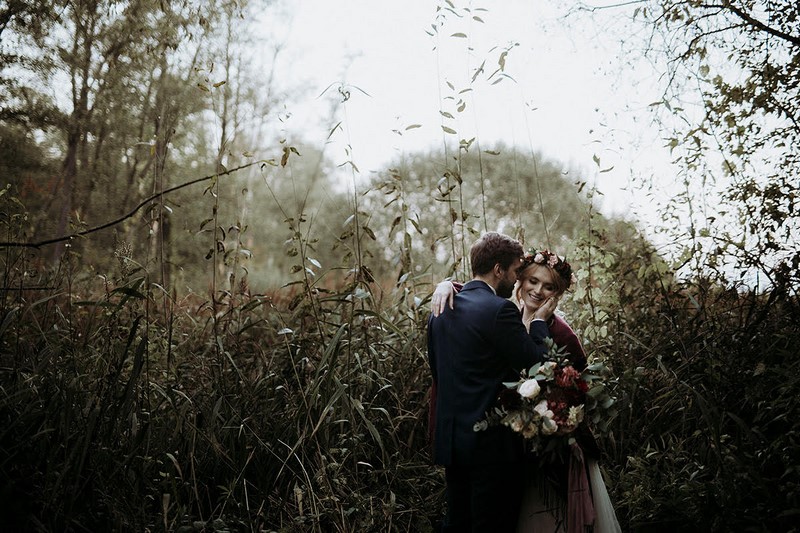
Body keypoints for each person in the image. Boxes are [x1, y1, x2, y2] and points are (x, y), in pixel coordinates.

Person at [431, 249, 622, 533]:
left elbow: (575, 389)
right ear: (518, 279)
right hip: (499, 447)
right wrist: (447, 284)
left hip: (542, 449)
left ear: (557, 294)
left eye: (548, 286)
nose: (537, 290)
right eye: (532, 281)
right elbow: (478, 294)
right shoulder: (505, 314)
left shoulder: (562, 333)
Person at [427, 232, 558, 532]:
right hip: (490, 449)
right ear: (498, 269)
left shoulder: (439, 310)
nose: (516, 281)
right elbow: (537, 365)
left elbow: (438, 372)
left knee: (458, 523)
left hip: (452, 443)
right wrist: (538, 323)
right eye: (514, 271)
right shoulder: (500, 310)